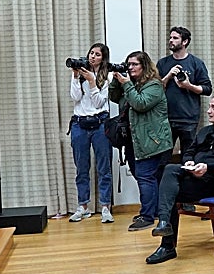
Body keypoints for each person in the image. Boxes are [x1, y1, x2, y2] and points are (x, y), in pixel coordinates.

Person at [146, 94, 214, 264]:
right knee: (169, 170)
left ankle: (167, 242)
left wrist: (208, 167)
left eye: (213, 107)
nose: (208, 111)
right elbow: (189, 151)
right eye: (209, 106)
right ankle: (165, 231)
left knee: (168, 191)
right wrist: (189, 162)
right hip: (192, 176)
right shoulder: (205, 131)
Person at [110, 51, 171, 231]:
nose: (130, 68)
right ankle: (156, 211)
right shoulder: (133, 85)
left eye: (134, 64)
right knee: (144, 177)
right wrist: (117, 80)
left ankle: (147, 216)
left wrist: (127, 84)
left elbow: (140, 103)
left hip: (153, 141)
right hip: (135, 140)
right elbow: (114, 97)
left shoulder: (154, 85)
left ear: (144, 66)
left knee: (146, 177)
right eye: (128, 64)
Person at [68, 43, 114, 224]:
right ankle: (83, 207)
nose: (92, 57)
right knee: (81, 168)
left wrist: (92, 82)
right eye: (91, 53)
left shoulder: (108, 76)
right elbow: (75, 97)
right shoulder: (80, 74)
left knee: (104, 167)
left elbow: (98, 102)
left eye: (97, 54)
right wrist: (75, 76)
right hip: (79, 124)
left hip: (100, 124)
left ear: (103, 58)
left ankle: (105, 207)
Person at [156, 26, 213, 162]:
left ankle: (185, 183)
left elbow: (207, 89)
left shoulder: (196, 63)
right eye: (170, 37)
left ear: (185, 41)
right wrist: (168, 76)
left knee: (187, 157)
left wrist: (188, 86)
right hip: (166, 118)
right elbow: (155, 90)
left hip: (188, 118)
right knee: (162, 159)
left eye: (175, 38)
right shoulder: (163, 63)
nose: (171, 40)